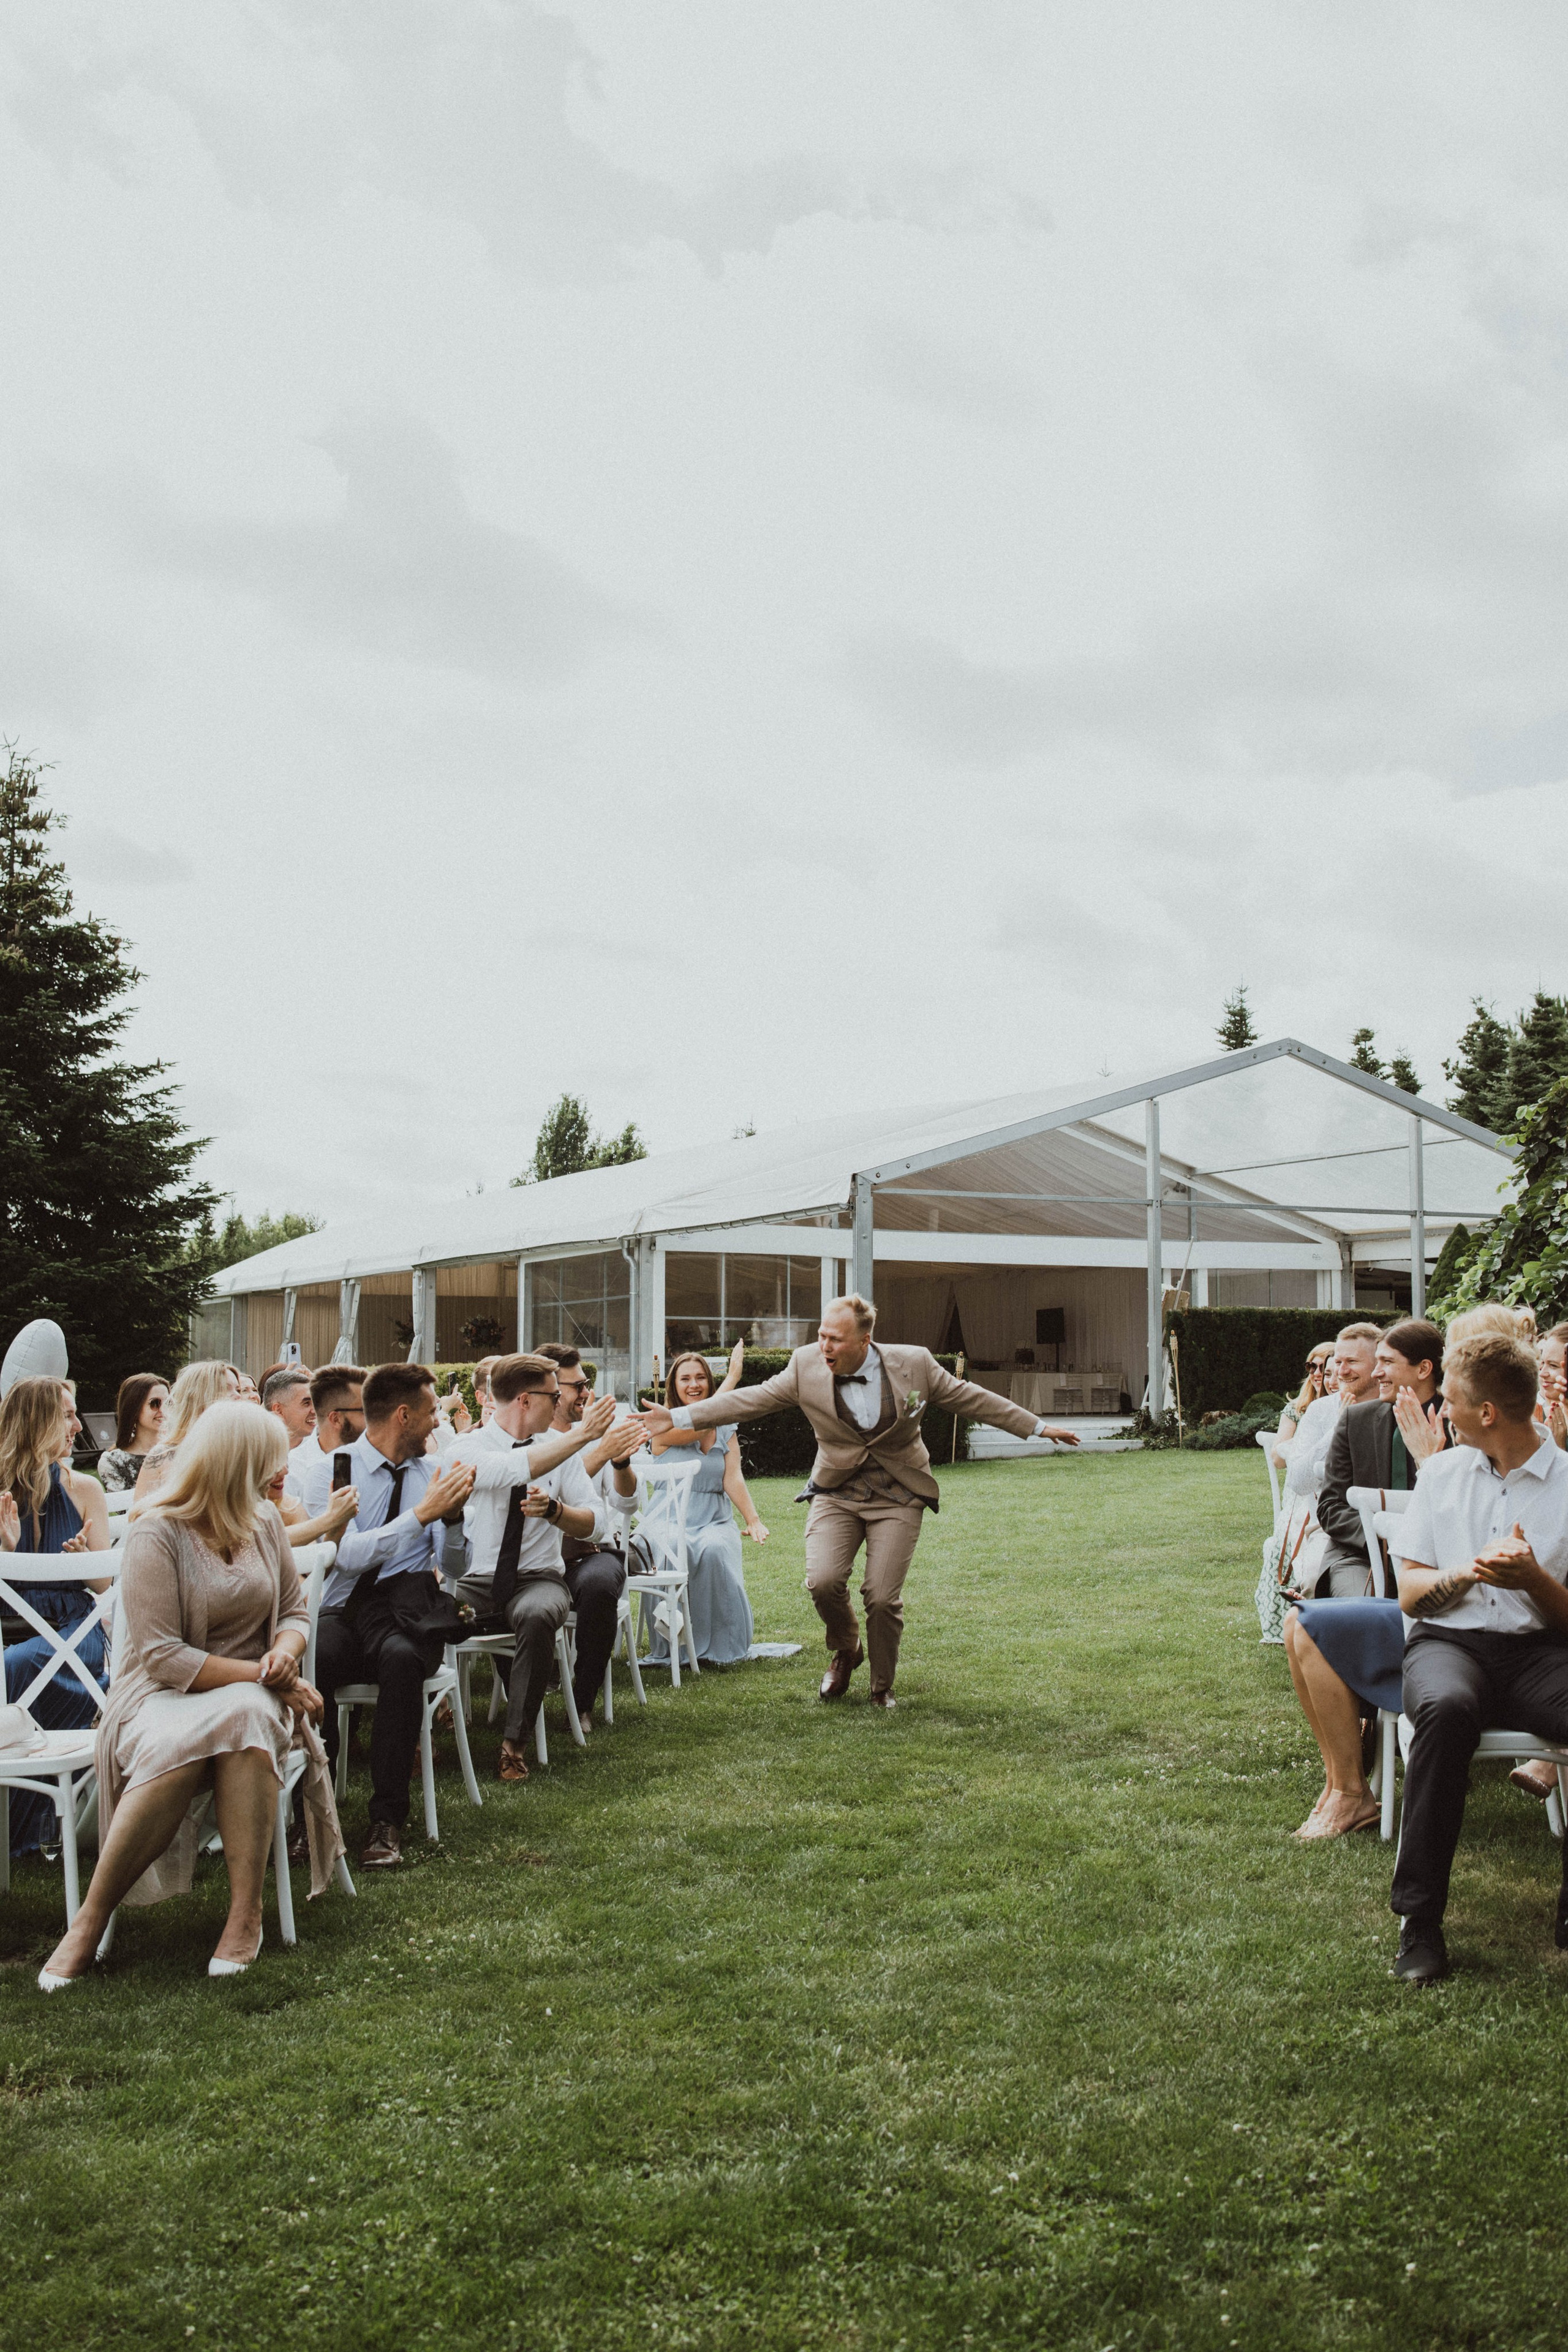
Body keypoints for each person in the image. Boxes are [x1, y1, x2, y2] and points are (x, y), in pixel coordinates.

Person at [636, 1294, 1077, 1708]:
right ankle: (847, 1649)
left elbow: (972, 1399)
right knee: (823, 1581)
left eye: (834, 1338)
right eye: (821, 1335)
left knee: (882, 1597)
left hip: (898, 1494)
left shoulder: (916, 1364)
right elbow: (751, 1401)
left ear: (865, 1340)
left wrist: (1037, 1428)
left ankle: (881, 1689)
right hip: (837, 1491)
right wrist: (675, 1417)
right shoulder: (805, 1366)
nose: (823, 1344)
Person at [36, 1402, 345, 1989]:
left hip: (250, 1692)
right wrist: (266, 1674)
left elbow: (297, 1611)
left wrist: (284, 1650)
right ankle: (90, 1920)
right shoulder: (158, 1530)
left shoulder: (264, 1522)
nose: (282, 1475)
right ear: (234, 1463)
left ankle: (244, 1915)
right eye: (269, 1464)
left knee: (248, 1715)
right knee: (222, 1725)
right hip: (159, 1694)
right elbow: (162, 1657)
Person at [1385, 1330, 1568, 1984]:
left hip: (1540, 1651)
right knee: (1443, 1709)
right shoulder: (1440, 1473)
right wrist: (1465, 1574)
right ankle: (1419, 1924)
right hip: (1449, 1643)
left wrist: (1534, 1582)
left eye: (1452, 1402)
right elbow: (1410, 1595)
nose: (1444, 1413)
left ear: (1485, 1412)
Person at [311, 1363, 477, 1868]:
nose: (436, 1424)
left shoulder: (434, 1473)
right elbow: (342, 1555)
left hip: (404, 1612)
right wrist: (421, 1516)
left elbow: (455, 1566)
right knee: (311, 1658)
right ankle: (309, 1816)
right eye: (431, 1414)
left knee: (404, 1661)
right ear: (404, 1416)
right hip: (341, 1609)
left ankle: (386, 1822)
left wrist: (450, 1521)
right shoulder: (334, 1469)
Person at [448, 1355, 617, 1782]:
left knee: (539, 1613)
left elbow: (599, 1521)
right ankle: (422, 1729)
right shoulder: (468, 1446)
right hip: (474, 1581)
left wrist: (558, 1512)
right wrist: (582, 1437)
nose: (560, 1403)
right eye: (554, 1395)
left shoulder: (560, 1451)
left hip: (538, 1579)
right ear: (525, 1400)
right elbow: (507, 1471)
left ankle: (514, 1744)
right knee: (420, 1612)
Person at [1, 1376, 111, 1856]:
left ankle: (28, 1832)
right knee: (14, 1661)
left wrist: (84, 1557)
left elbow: (107, 1585)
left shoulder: (84, 1488)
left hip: (73, 1626)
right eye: (66, 1415)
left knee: (14, 1668)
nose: (76, 1425)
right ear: (36, 1421)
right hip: (9, 1623)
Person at [533, 1344, 644, 1725]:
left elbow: (628, 1505)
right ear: (550, 1388)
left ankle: (581, 1703)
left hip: (590, 1552)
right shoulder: (530, 1439)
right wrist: (600, 1451)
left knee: (600, 1586)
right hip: (536, 1559)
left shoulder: (597, 1434)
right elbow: (548, 1488)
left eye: (587, 1384)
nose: (585, 1392)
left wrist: (621, 1460)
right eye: (577, 1385)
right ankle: (529, 1693)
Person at [643, 1351, 766, 1667]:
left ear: (709, 1383)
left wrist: (753, 1519)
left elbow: (733, 1476)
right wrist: (733, 1380)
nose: (694, 1384)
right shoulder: (662, 1425)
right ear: (674, 1385)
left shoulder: (725, 1427)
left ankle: (722, 1645)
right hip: (668, 1516)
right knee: (673, 1546)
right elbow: (698, 1426)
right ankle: (674, 1645)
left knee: (714, 1550)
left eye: (700, 1377)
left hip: (714, 1516)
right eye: (685, 1378)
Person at [1313, 1321, 1445, 1596]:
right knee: (1357, 1613)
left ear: (1423, 1369)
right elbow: (1330, 1506)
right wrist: (1383, 1534)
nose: (1376, 1373)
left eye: (1386, 1362)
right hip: (1360, 1554)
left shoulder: (1456, 1425)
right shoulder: (1355, 1420)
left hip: (1438, 1556)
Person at [133, 1360, 241, 1501]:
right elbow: (140, 1518)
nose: (238, 1396)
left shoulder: (243, 1450)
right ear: (198, 1398)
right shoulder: (163, 1456)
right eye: (226, 1389)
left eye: (238, 1390)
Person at [285, 1366, 367, 1515]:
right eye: (364, 1411)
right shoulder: (291, 1471)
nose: (373, 1419)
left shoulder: (380, 1462)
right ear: (336, 1419)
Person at [98, 1373, 169, 1491]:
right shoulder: (113, 1462)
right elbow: (125, 1508)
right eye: (155, 1403)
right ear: (134, 1408)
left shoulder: (181, 1453)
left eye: (168, 1403)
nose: (163, 1410)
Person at [262, 1366, 317, 1449]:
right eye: (306, 1403)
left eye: (315, 1403)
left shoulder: (326, 1449)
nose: (314, 1411)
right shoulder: (257, 1453)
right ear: (279, 1410)